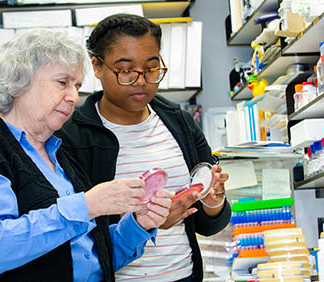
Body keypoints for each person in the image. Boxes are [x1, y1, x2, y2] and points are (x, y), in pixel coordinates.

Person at [0, 28, 174, 282]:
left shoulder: (60, 152)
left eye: (77, 86)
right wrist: (87, 206)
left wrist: (139, 224)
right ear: (18, 81)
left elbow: (93, 261)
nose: (74, 97)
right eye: (62, 83)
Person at [56, 14, 231, 282]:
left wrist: (213, 200)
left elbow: (209, 225)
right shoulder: (71, 137)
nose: (141, 81)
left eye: (151, 68)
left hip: (183, 275)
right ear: (97, 66)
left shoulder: (180, 122)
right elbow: (72, 237)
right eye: (126, 70)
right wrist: (144, 222)